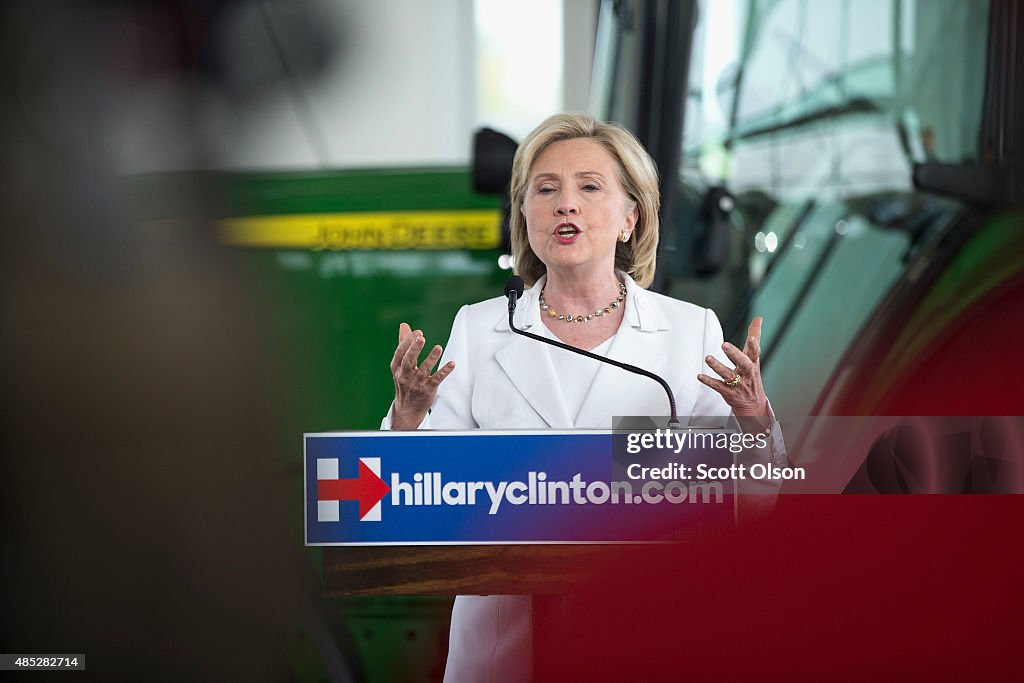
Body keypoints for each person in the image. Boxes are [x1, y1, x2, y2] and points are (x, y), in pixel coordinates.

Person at [382, 112, 784, 682]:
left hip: (648, 640)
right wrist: (408, 415)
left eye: (589, 187)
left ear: (629, 218)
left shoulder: (690, 329)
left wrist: (752, 421)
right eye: (545, 190)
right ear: (525, 216)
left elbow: (756, 502)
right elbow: (407, 495)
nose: (565, 204)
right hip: (504, 653)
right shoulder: (478, 327)